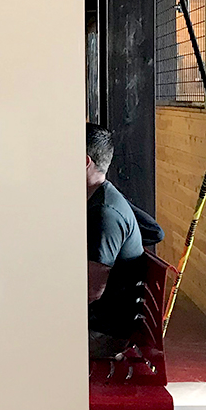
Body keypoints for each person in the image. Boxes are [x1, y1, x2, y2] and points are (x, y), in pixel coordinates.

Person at [86, 124, 145, 359]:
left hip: (103, 334)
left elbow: (91, 291)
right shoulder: (97, 200)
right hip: (99, 323)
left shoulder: (104, 213)